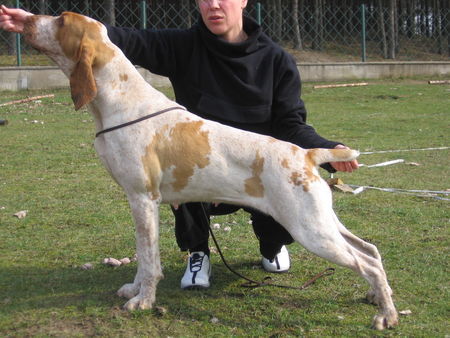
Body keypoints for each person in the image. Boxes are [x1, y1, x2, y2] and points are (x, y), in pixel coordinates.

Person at [0, 1, 358, 290]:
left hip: (253, 166)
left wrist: (327, 149)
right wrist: (32, 21)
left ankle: (272, 244)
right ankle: (197, 252)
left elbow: (291, 123)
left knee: (286, 201)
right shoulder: (184, 44)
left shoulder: (277, 60)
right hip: (197, 162)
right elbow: (120, 38)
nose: (213, 5)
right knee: (173, 172)